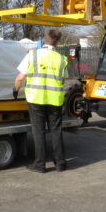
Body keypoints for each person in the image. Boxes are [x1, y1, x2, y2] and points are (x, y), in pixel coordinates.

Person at [14, 29, 68, 173]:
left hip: (36, 99)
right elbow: (63, 80)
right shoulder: (62, 59)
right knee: (56, 131)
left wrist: (15, 91)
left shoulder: (32, 55)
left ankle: (40, 164)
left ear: (44, 40)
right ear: (58, 41)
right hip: (55, 101)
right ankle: (60, 164)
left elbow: (20, 78)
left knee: (39, 132)